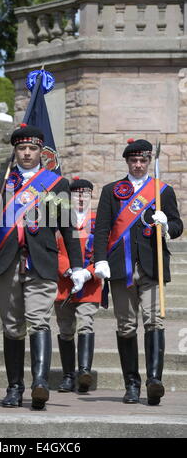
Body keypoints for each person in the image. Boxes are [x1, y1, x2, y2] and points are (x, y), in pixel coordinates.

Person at [0, 123, 86, 410]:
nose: (27, 153)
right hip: (6, 262)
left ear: (42, 152)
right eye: (22, 148)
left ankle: (39, 383)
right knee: (13, 327)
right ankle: (14, 387)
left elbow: (66, 228)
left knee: (39, 320)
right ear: (15, 151)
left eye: (32, 149)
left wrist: (77, 266)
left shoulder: (55, 184)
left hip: (41, 262)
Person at [94, 138, 184, 406]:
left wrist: (167, 224)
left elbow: (178, 226)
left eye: (143, 160)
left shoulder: (161, 191)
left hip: (151, 265)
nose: (138, 165)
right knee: (126, 325)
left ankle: (154, 381)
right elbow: (102, 229)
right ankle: (131, 384)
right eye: (133, 160)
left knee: (154, 320)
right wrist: (100, 260)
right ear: (127, 162)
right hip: (121, 266)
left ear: (148, 162)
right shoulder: (112, 190)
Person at [55, 177, 102, 393]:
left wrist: (88, 272)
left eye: (85, 194)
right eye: (76, 194)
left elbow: (105, 250)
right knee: (65, 329)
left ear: (91, 196)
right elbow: (51, 249)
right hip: (64, 282)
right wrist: (67, 269)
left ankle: (84, 371)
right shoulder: (60, 219)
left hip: (90, 283)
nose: (81, 198)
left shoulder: (99, 220)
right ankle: (67, 375)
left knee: (86, 323)